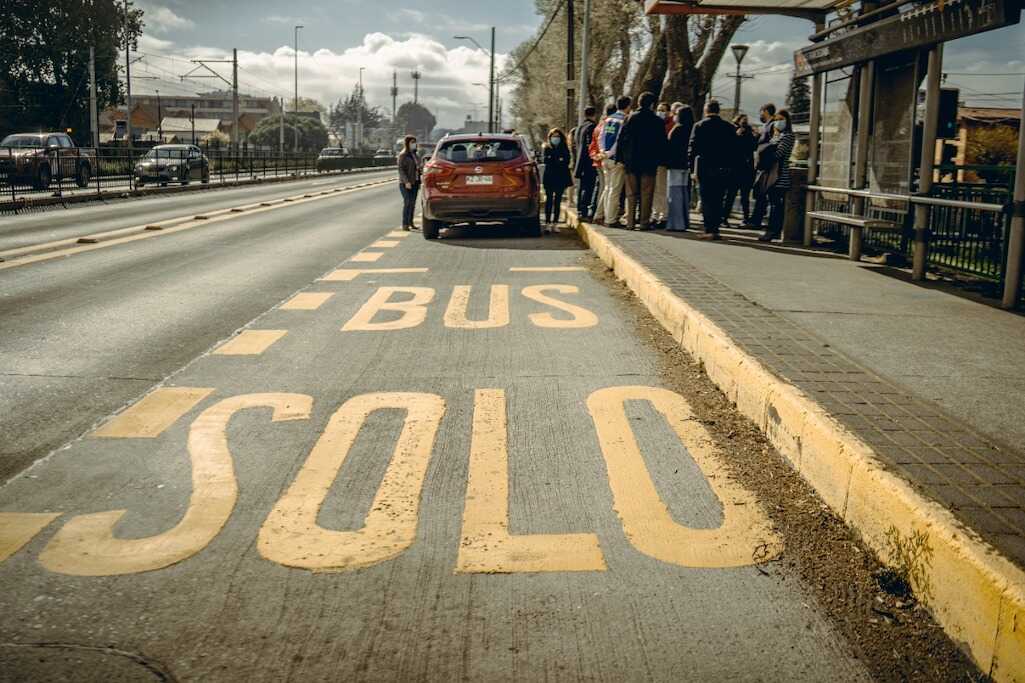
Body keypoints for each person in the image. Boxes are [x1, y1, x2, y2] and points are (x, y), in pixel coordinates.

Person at [617, 91, 666, 231]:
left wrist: (621, 158)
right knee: (647, 193)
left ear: (638, 103)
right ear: (651, 105)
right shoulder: (657, 121)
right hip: (649, 163)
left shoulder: (629, 118)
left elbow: (622, 139)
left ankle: (630, 222)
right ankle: (644, 222)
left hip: (631, 162)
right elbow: (662, 143)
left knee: (631, 193)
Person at [688, 99, 736, 239]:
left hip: (705, 167)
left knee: (707, 199)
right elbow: (734, 150)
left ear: (706, 110)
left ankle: (709, 229)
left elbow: (692, 149)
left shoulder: (699, 126)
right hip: (723, 168)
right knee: (719, 199)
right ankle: (716, 229)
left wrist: (692, 169)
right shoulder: (729, 127)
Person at [758, 109, 796, 242]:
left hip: (780, 175)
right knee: (772, 203)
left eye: (781, 120)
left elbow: (778, 154)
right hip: (772, 174)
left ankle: (773, 231)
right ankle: (772, 230)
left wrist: (766, 153)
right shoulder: (776, 136)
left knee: (776, 205)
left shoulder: (788, 136)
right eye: (776, 120)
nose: (778, 122)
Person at [744, 102, 777, 229]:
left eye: (761, 111)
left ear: (766, 111)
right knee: (759, 193)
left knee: (761, 193)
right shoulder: (767, 125)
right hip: (762, 165)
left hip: (766, 166)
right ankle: (756, 219)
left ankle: (756, 220)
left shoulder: (772, 125)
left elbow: (773, 144)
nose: (760, 114)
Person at [599, 96, 631, 226]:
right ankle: (610, 219)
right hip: (615, 159)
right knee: (614, 190)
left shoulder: (608, 119)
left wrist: (603, 152)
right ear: (627, 106)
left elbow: (601, 137)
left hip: (605, 158)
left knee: (607, 188)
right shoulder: (623, 120)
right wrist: (610, 153)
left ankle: (607, 216)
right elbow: (619, 140)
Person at [722, 114, 757, 227]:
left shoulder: (742, 134)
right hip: (743, 169)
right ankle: (743, 218)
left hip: (737, 169)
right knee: (741, 196)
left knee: (733, 196)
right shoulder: (746, 134)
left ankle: (726, 218)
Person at [665, 105, 694, 232]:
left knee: (674, 193)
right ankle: (685, 220)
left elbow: (670, 148)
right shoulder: (692, 128)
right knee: (683, 193)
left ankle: (676, 223)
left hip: (675, 165)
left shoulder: (677, 130)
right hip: (685, 165)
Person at [590, 103, 617, 224]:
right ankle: (602, 215)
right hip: (608, 158)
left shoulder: (600, 125)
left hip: (600, 160)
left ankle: (599, 214)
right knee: (608, 189)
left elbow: (595, 143)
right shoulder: (611, 124)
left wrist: (598, 155)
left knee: (606, 188)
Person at [542, 127, 573, 229]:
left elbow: (566, 161)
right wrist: (559, 159)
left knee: (558, 200)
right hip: (549, 177)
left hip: (560, 177)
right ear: (549, 137)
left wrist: (556, 159)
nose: (555, 138)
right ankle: (547, 222)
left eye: (557, 136)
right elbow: (547, 160)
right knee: (549, 200)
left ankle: (555, 223)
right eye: (553, 136)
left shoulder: (564, 148)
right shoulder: (547, 148)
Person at [574, 106, 599, 220]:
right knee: (588, 187)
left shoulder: (579, 128)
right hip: (588, 162)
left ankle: (580, 210)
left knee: (582, 187)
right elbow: (590, 145)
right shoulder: (591, 127)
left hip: (580, 162)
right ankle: (584, 212)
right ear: (594, 115)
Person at [650, 101, 673, 227]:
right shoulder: (656, 123)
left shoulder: (671, 125)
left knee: (662, 189)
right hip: (654, 161)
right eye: (659, 109)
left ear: (668, 112)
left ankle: (663, 215)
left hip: (663, 161)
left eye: (663, 110)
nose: (660, 112)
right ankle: (655, 214)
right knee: (655, 190)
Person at [397, 135, 420, 231]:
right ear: (407, 143)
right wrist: (406, 182)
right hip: (405, 183)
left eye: (414, 142)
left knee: (413, 203)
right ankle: (405, 224)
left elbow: (417, 167)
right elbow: (401, 170)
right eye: (412, 142)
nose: (414, 144)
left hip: (415, 181)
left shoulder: (415, 155)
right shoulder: (403, 155)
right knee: (407, 202)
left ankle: (411, 222)